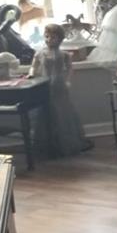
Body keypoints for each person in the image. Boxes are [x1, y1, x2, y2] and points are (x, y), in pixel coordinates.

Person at [29, 23, 90, 156]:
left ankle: (64, 142)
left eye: (53, 37)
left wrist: (67, 80)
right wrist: (32, 74)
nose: (49, 39)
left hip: (59, 84)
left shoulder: (64, 54)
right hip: (44, 83)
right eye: (47, 36)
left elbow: (69, 69)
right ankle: (46, 143)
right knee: (44, 113)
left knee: (62, 112)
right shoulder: (40, 53)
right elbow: (34, 66)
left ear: (60, 39)